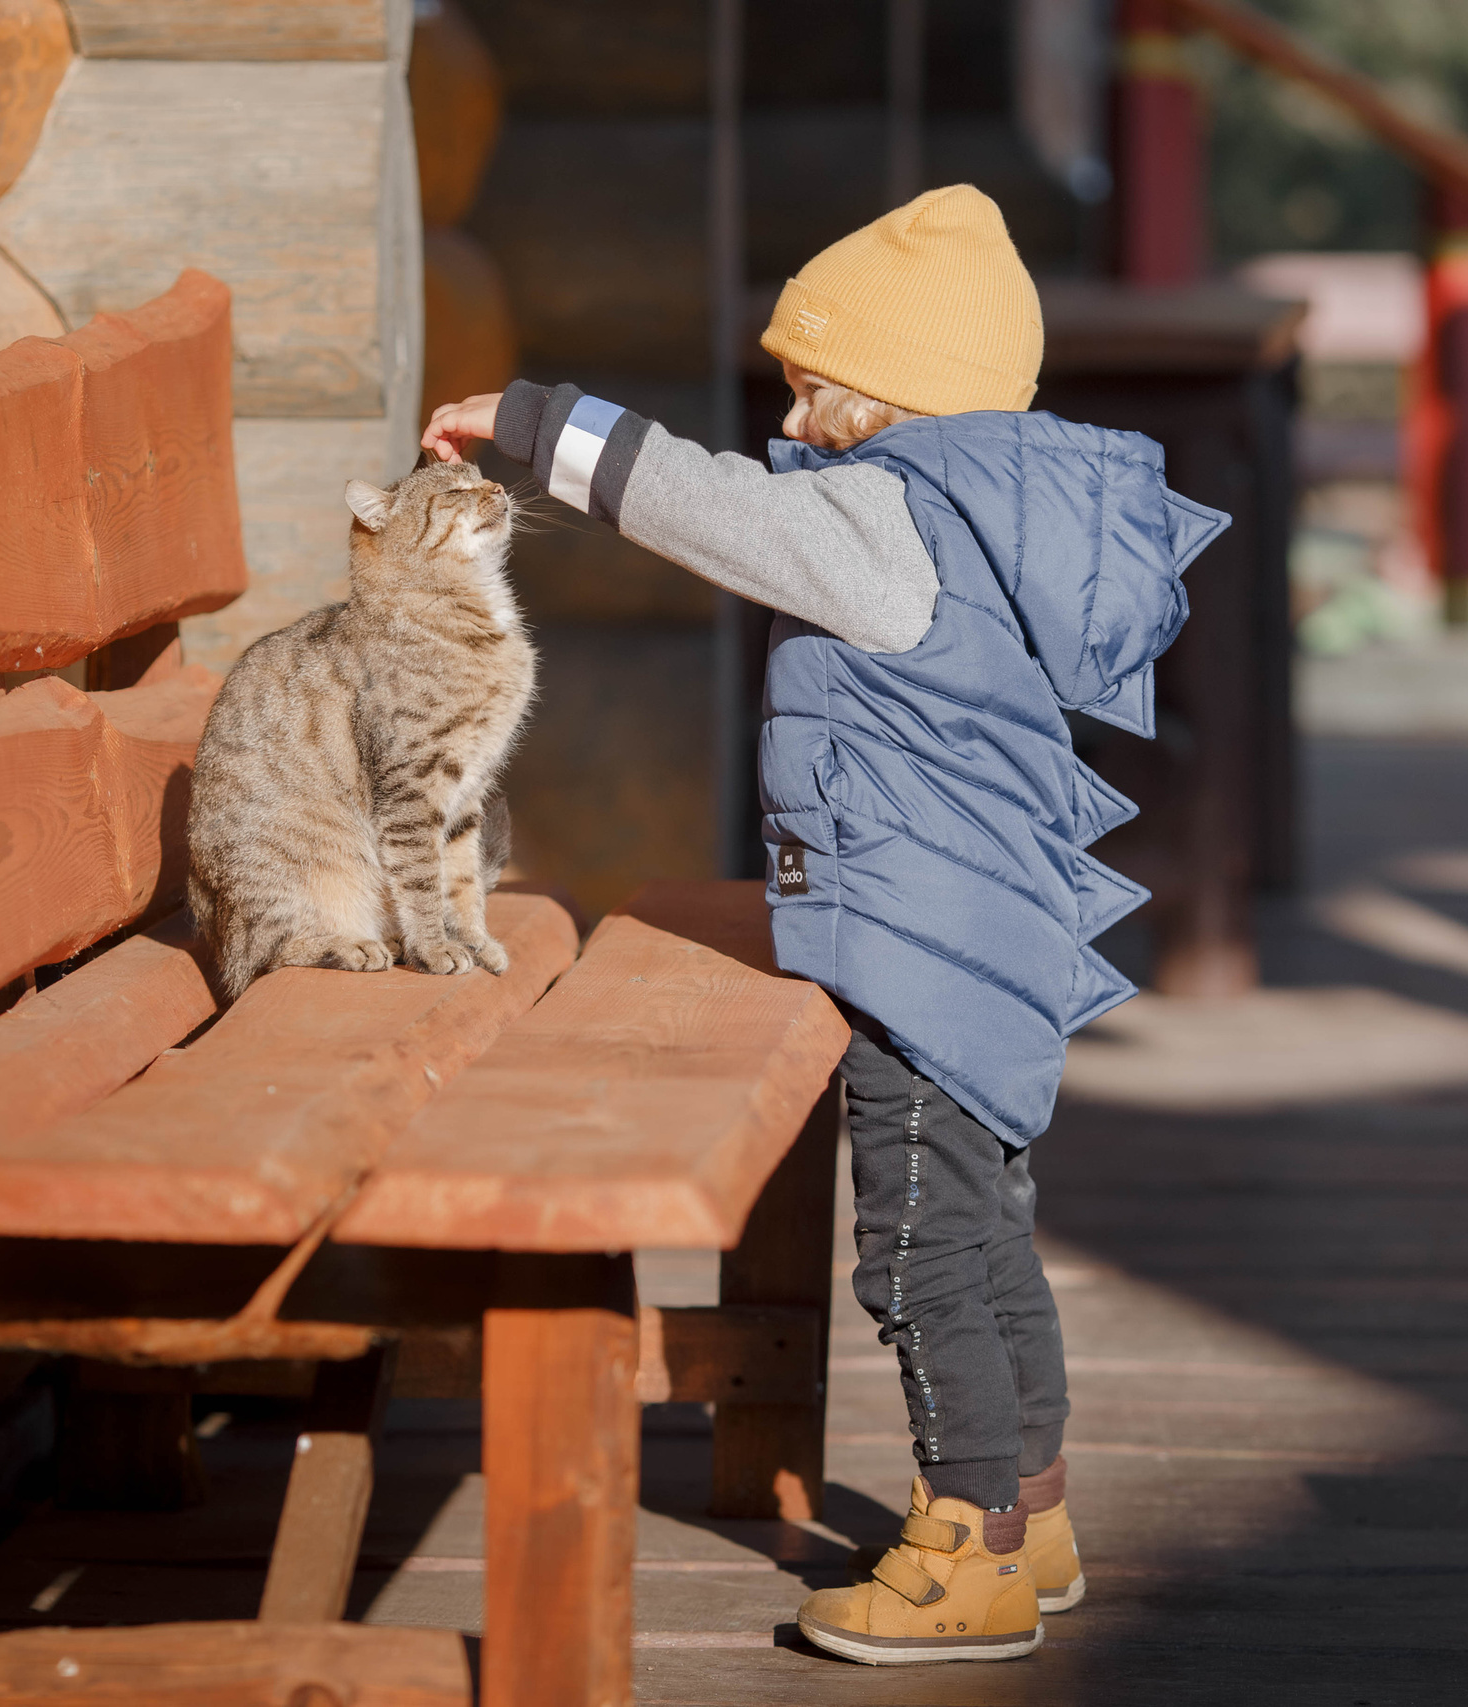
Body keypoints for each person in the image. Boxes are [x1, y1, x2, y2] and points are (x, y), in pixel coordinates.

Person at [422, 185, 1226, 1666]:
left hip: (920, 945)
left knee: (920, 1253)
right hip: (990, 929)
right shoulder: (999, 507)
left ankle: (967, 1551)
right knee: (990, 1242)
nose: (790, 410)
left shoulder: (891, 515)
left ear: (887, 393)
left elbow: (716, 508)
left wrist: (541, 427)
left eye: (808, 382)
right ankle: (1029, 1516)